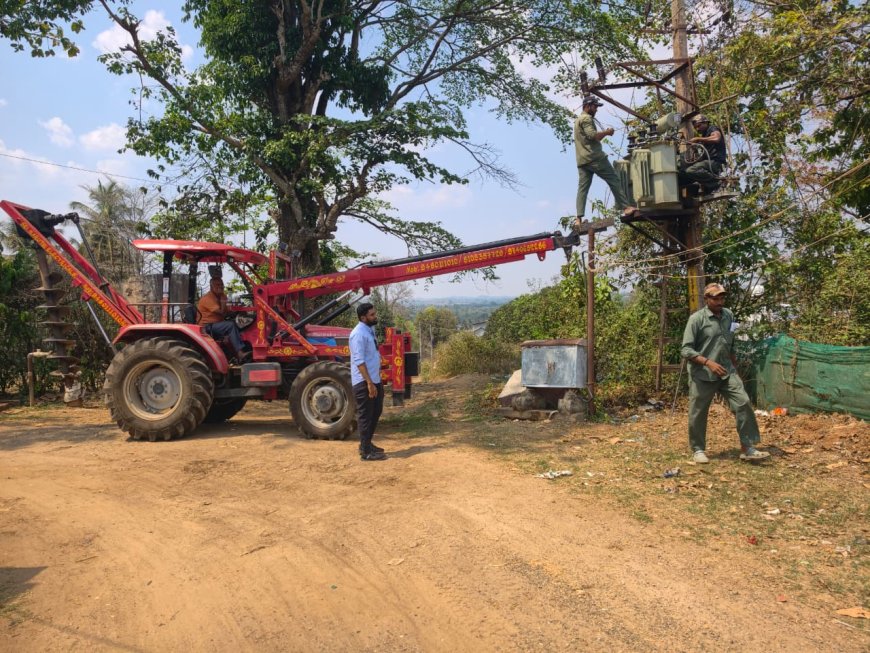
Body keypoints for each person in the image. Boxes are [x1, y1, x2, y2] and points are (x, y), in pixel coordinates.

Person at [680, 283, 770, 464]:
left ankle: (748, 447)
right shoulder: (697, 319)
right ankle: (698, 449)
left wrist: (734, 365)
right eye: (716, 298)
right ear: (707, 299)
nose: (720, 301)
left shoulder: (728, 315)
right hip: (703, 374)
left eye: (722, 298)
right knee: (698, 412)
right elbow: (686, 350)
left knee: (743, 402)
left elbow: (730, 342)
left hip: (727, 371)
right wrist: (708, 362)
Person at [573, 95, 637, 229]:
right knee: (614, 179)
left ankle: (578, 219)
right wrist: (607, 132)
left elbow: (589, 138)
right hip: (595, 158)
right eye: (595, 106)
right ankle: (626, 207)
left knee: (582, 189)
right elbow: (593, 136)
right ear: (588, 106)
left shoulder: (578, 120)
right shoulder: (586, 118)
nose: (596, 109)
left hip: (582, 160)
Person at [349, 302, 386, 461]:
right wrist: (369, 383)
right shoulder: (358, 334)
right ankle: (365, 452)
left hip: (374, 379)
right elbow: (359, 360)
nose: (375, 316)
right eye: (372, 315)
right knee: (365, 416)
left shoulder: (369, 330)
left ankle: (367, 443)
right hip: (364, 382)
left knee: (376, 411)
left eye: (374, 313)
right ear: (363, 317)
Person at [197, 276, 249, 362]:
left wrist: (239, 310)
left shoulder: (222, 296)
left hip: (218, 324)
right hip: (207, 326)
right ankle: (240, 353)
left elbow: (228, 310)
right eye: (217, 285)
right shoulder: (208, 298)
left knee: (238, 323)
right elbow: (221, 312)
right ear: (211, 287)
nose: (220, 286)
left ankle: (236, 353)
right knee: (230, 325)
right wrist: (223, 302)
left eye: (221, 284)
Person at [679, 114, 727, 194]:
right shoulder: (705, 135)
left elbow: (716, 138)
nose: (697, 129)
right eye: (695, 128)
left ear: (705, 123)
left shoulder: (712, 129)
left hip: (716, 162)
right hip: (708, 162)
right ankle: (701, 188)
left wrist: (698, 139)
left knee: (692, 170)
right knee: (683, 173)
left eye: (699, 126)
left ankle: (718, 183)